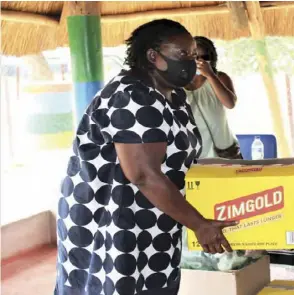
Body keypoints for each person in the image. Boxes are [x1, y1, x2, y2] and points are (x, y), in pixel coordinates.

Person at [54, 19, 237, 295]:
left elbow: (180, 158)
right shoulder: (133, 95)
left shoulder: (172, 95)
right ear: (153, 56)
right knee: (116, 286)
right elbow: (143, 174)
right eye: (183, 54)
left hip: (153, 218)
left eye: (193, 54)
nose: (191, 61)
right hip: (114, 221)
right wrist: (199, 224)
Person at [184, 36, 241, 159]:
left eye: (204, 58)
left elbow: (230, 104)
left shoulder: (220, 78)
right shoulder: (177, 84)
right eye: (194, 57)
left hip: (225, 151)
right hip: (195, 154)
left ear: (211, 59)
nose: (199, 61)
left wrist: (210, 75)